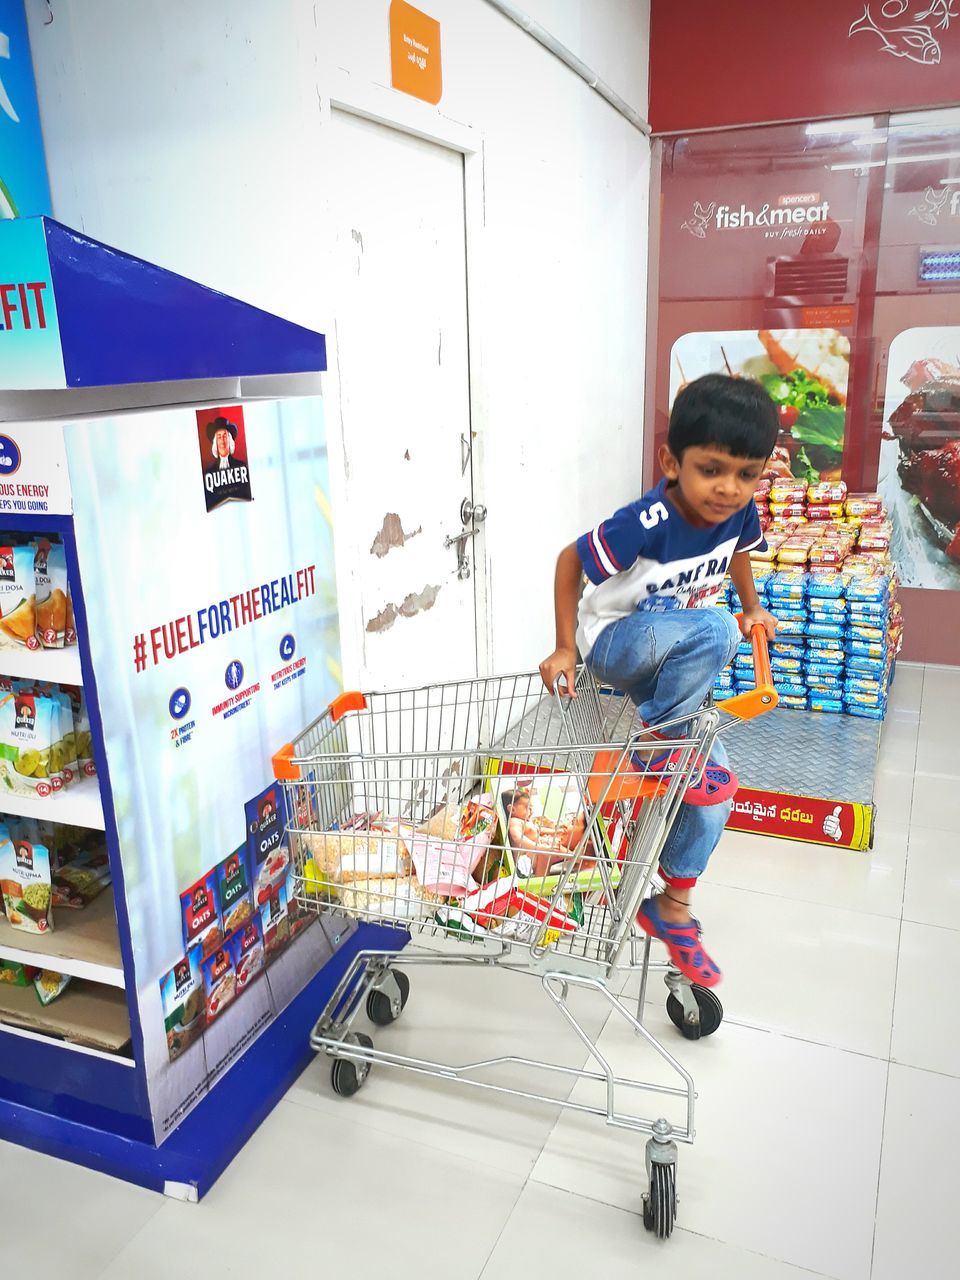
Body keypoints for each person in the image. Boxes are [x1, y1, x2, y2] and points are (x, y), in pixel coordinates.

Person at [539, 374, 779, 987]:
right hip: (617, 644)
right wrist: (566, 646)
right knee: (716, 630)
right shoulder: (646, 519)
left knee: (716, 791)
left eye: (747, 473)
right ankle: (663, 742)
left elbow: (741, 550)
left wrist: (752, 605)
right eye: (712, 469)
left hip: (670, 662)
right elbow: (571, 561)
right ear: (672, 463)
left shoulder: (737, 510)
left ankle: (670, 907)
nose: (730, 488)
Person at [501, 788, 586, 879]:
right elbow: (516, 837)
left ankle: (573, 856)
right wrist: (539, 847)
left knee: (553, 845)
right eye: (527, 808)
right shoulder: (514, 821)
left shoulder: (526, 822)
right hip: (525, 860)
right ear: (512, 809)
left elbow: (539, 830)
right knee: (548, 850)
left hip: (534, 854)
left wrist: (555, 831)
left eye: (531, 808)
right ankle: (541, 878)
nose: (531, 811)